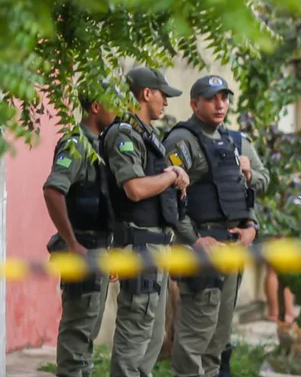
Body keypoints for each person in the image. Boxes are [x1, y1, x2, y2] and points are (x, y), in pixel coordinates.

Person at [164, 75, 268, 377]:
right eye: (212, 98)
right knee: (195, 336)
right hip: (200, 249)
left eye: (224, 97)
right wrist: (194, 240)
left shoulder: (235, 142)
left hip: (232, 249)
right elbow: (170, 200)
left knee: (218, 341)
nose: (220, 104)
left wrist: (252, 226)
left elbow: (255, 183)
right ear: (195, 104)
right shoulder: (182, 141)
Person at [100, 66, 189, 377]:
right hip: (140, 247)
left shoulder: (147, 136)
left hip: (157, 247)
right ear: (146, 93)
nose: (166, 101)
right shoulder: (124, 134)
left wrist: (174, 176)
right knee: (134, 338)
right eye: (163, 94)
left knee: (150, 340)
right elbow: (134, 189)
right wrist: (169, 176)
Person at [43, 94, 119, 377]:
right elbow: (53, 190)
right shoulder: (76, 144)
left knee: (87, 334)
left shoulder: (102, 145)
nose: (120, 110)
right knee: (77, 337)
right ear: (96, 107)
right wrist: (73, 243)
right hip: (82, 251)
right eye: (115, 103)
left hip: (97, 249)